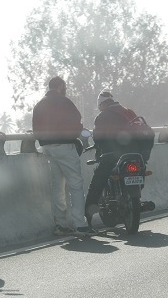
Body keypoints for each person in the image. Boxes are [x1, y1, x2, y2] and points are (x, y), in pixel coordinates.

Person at [32, 76, 94, 236]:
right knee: (75, 184)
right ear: (60, 86)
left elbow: (35, 129)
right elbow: (77, 122)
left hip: (48, 148)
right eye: (64, 87)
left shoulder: (40, 104)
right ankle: (80, 225)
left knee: (57, 186)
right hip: (65, 146)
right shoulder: (65, 102)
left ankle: (61, 224)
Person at [84, 90, 154, 224]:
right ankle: (136, 199)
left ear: (102, 104)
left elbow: (98, 138)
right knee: (140, 171)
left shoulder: (102, 117)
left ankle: (88, 216)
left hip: (112, 156)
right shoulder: (129, 112)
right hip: (136, 154)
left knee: (98, 180)